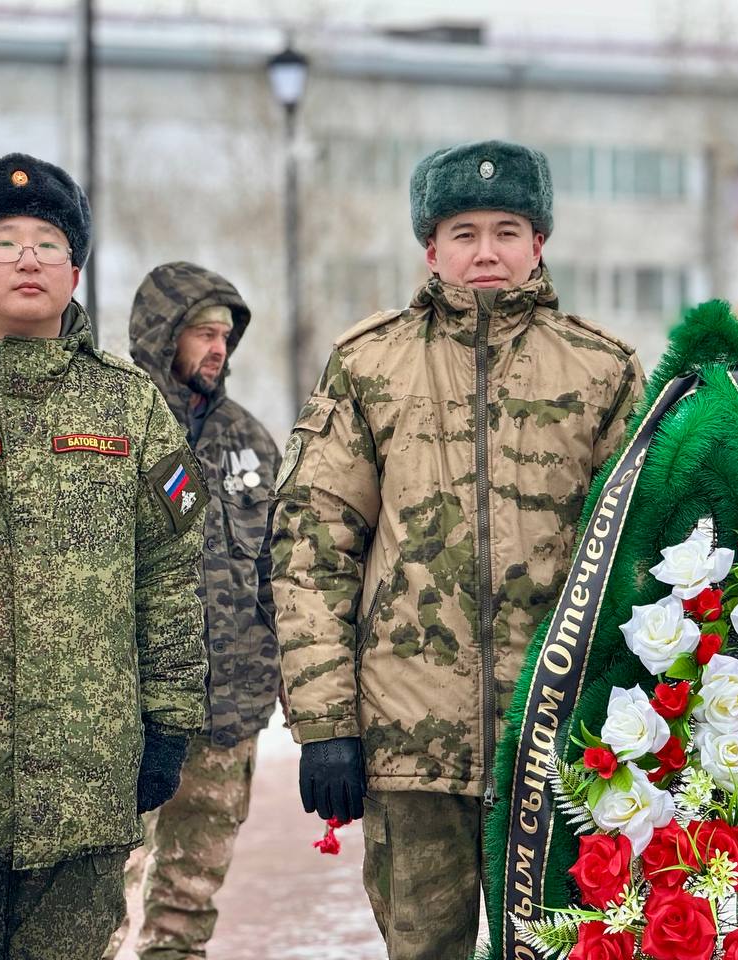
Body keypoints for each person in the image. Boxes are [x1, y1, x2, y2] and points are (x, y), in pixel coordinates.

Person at [272, 139, 645, 959]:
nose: (487, 251)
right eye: (464, 231)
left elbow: (641, 557)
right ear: (430, 247)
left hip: (558, 742)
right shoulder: (369, 365)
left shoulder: (602, 370)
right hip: (410, 745)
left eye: (507, 229)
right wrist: (325, 723)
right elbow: (311, 547)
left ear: (538, 243)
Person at [0, 153, 207, 959]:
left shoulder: (129, 404)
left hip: (90, 780)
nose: (29, 258)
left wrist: (170, 725)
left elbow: (169, 572)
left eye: (49, 244)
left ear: (77, 269)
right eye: (3, 243)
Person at [105, 262, 281, 959]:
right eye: (204, 332)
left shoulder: (249, 440)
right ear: (162, 334)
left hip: (227, 713)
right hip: (129, 711)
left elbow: (278, 569)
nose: (218, 348)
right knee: (98, 904)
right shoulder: (111, 422)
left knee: (187, 904)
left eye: (227, 336)